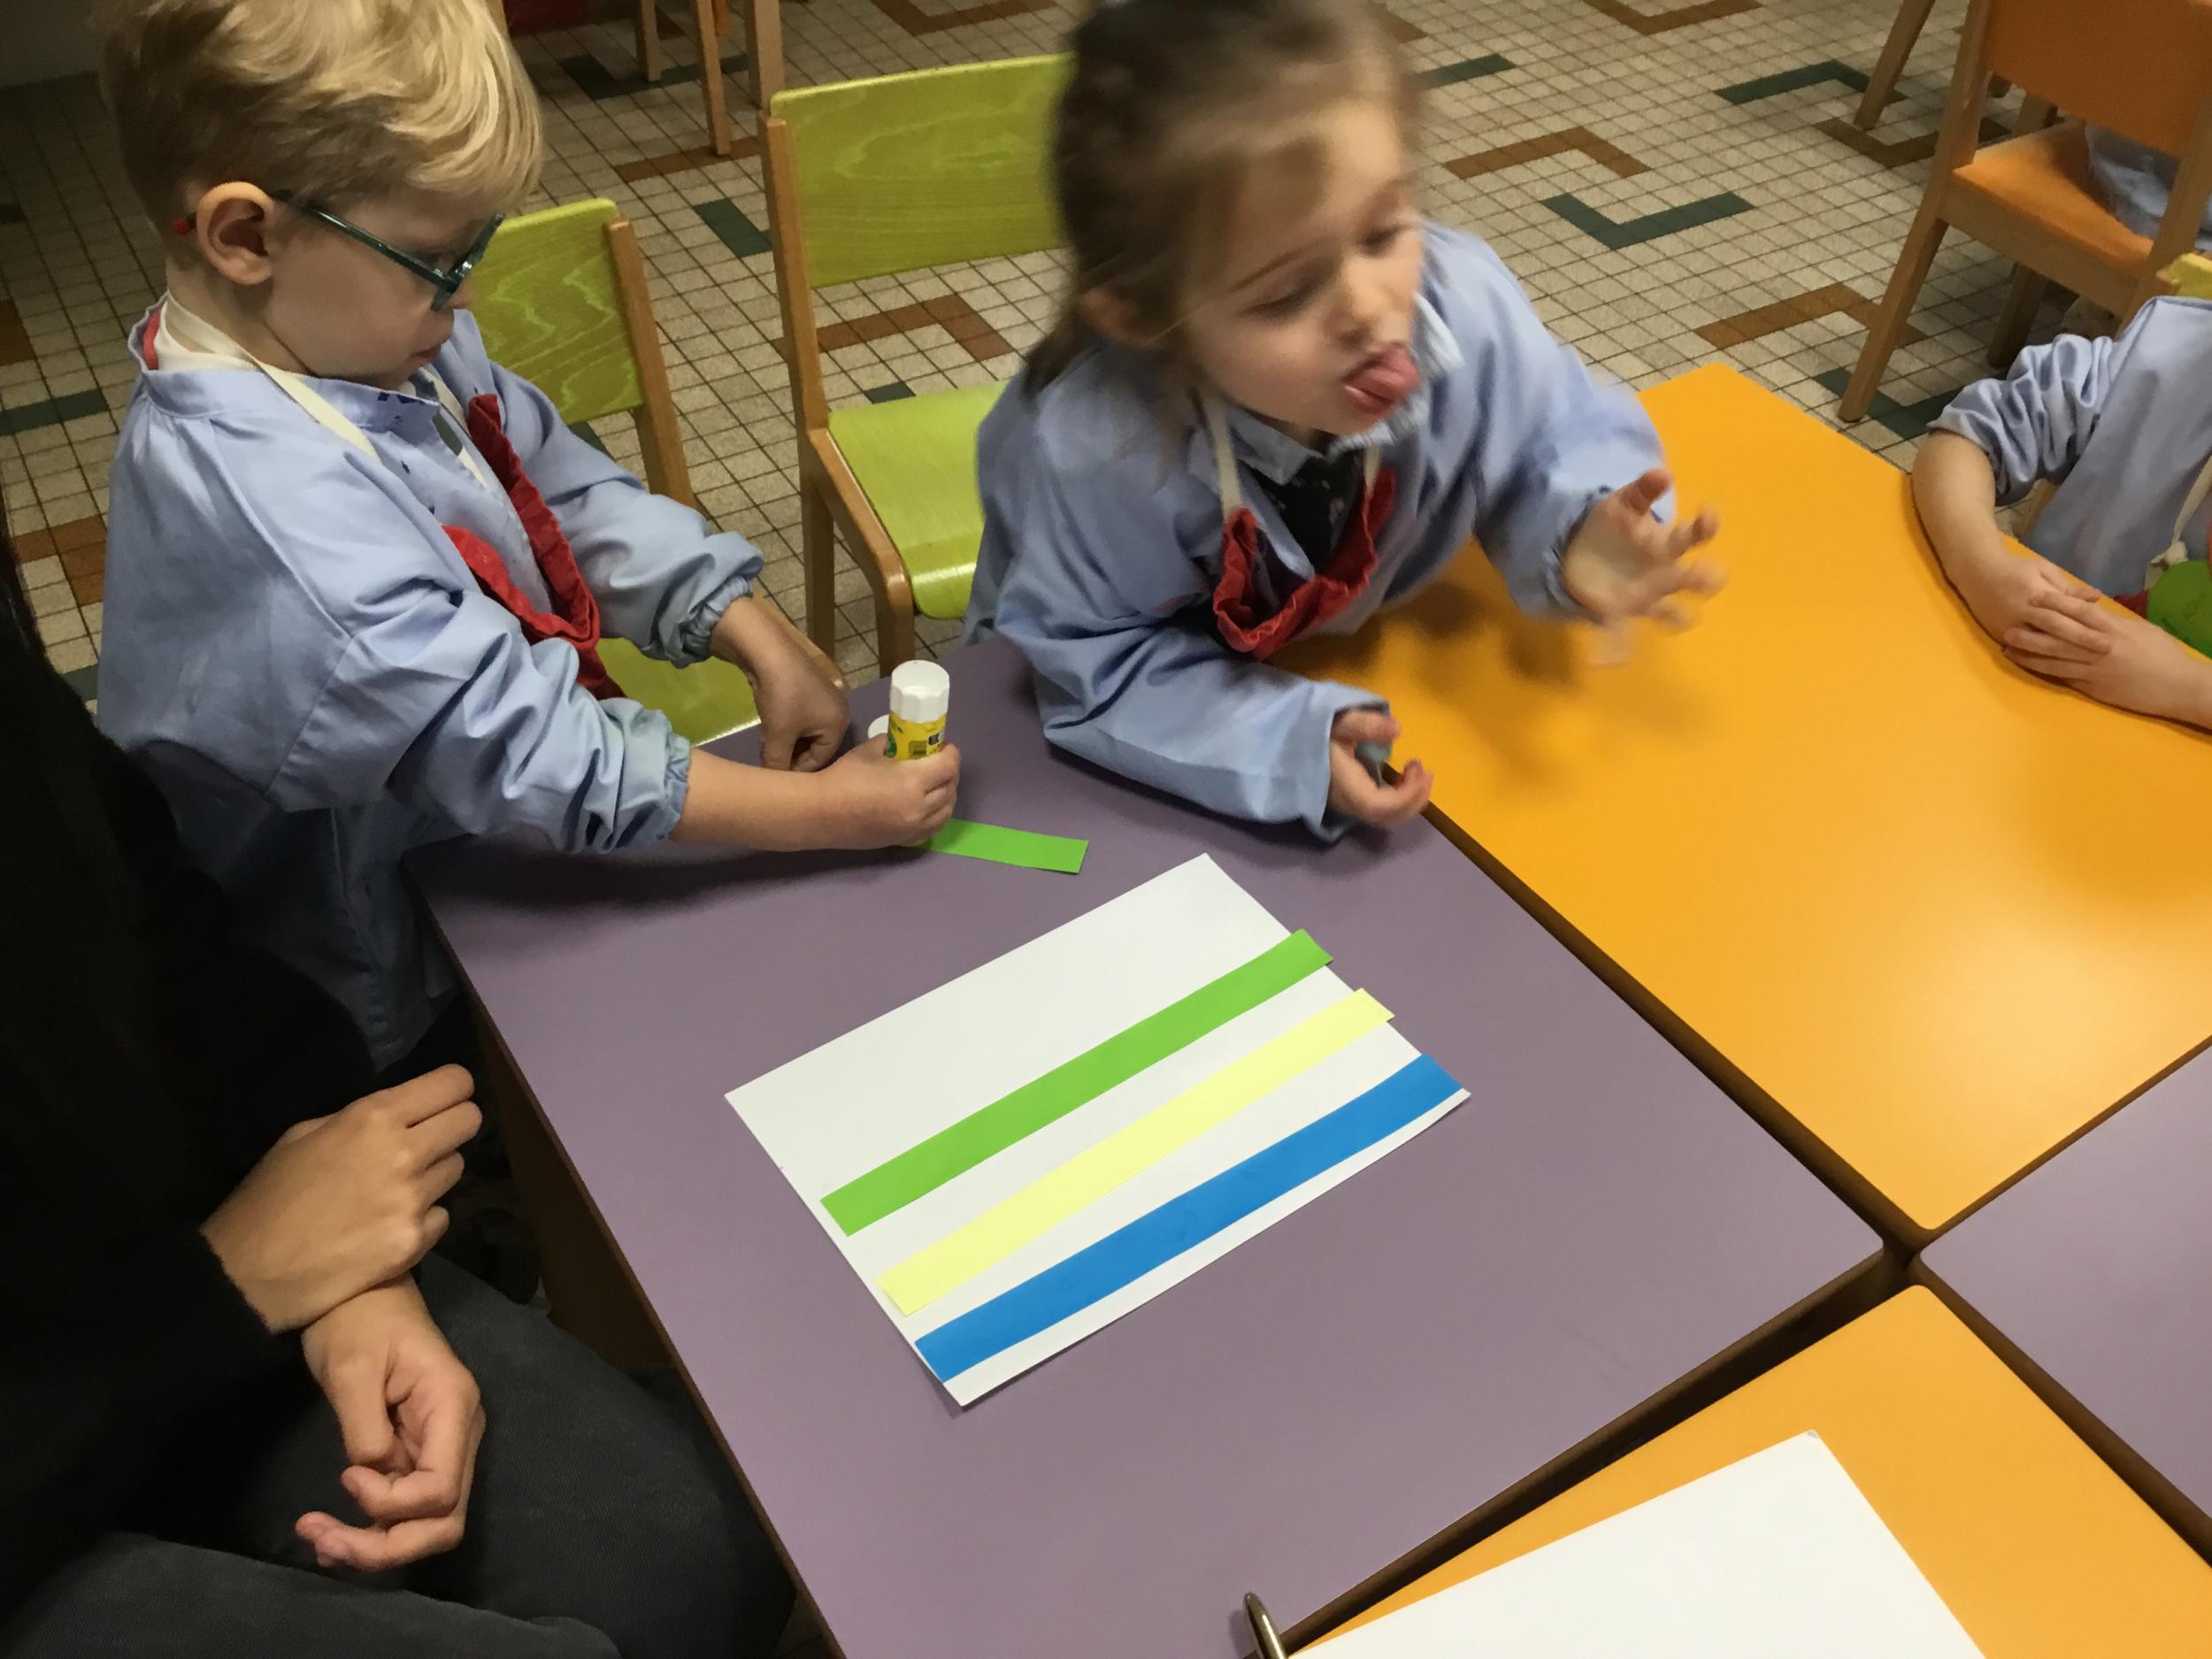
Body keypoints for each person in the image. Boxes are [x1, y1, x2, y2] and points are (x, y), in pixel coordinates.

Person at [93, 0, 961, 1076]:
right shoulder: (277, 525)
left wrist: (749, 630)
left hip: (472, 849)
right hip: (368, 963)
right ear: (244, 237)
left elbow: (557, 489)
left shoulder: (364, 345)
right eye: (436, 259)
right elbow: (541, 756)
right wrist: (825, 813)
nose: (465, 300)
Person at [0, 526, 794, 1656]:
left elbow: (164, 936)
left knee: (689, 1551)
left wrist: (350, 1274)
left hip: (169, 1300)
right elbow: (502, 727)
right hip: (108, 1383)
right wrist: (227, 1293)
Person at [964, 0, 1721, 837]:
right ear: (1146, 321)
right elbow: (1094, 666)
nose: (1368, 309)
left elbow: (1549, 434)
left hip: (1348, 658)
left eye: (1383, 231)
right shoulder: (1099, 451)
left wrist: (1579, 529)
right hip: (1091, 740)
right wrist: (1284, 742)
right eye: (1286, 294)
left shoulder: (1463, 312)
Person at [1913, 294, 2212, 730]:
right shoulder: (2165, 352)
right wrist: (1981, 565)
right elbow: (1966, 436)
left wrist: (2190, 689)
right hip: (2021, 704)